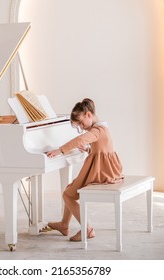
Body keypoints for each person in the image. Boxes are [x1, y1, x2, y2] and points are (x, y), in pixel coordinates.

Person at [46, 98, 124, 241]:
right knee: (69, 190)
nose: (81, 127)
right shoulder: (101, 128)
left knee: (68, 195)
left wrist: (60, 150)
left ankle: (87, 230)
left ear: (89, 114)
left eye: (81, 123)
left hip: (102, 172)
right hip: (108, 169)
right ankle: (64, 225)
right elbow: (100, 148)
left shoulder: (97, 130)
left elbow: (79, 139)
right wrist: (88, 149)